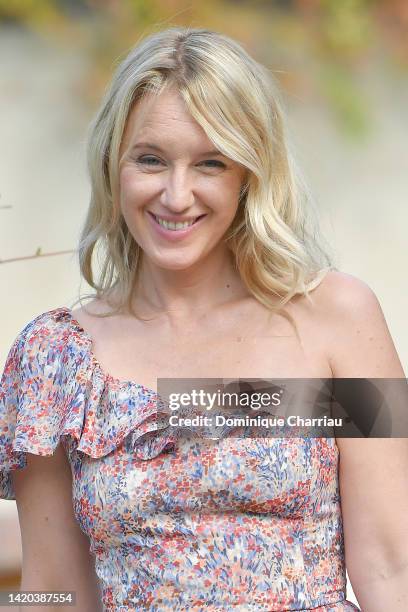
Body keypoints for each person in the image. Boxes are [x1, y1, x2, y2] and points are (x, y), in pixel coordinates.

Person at [0, 26, 407, 612]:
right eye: (150, 159)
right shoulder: (53, 358)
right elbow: (51, 590)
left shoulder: (338, 321)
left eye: (211, 163)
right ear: (113, 165)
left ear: (249, 176)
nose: (176, 194)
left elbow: (394, 566)